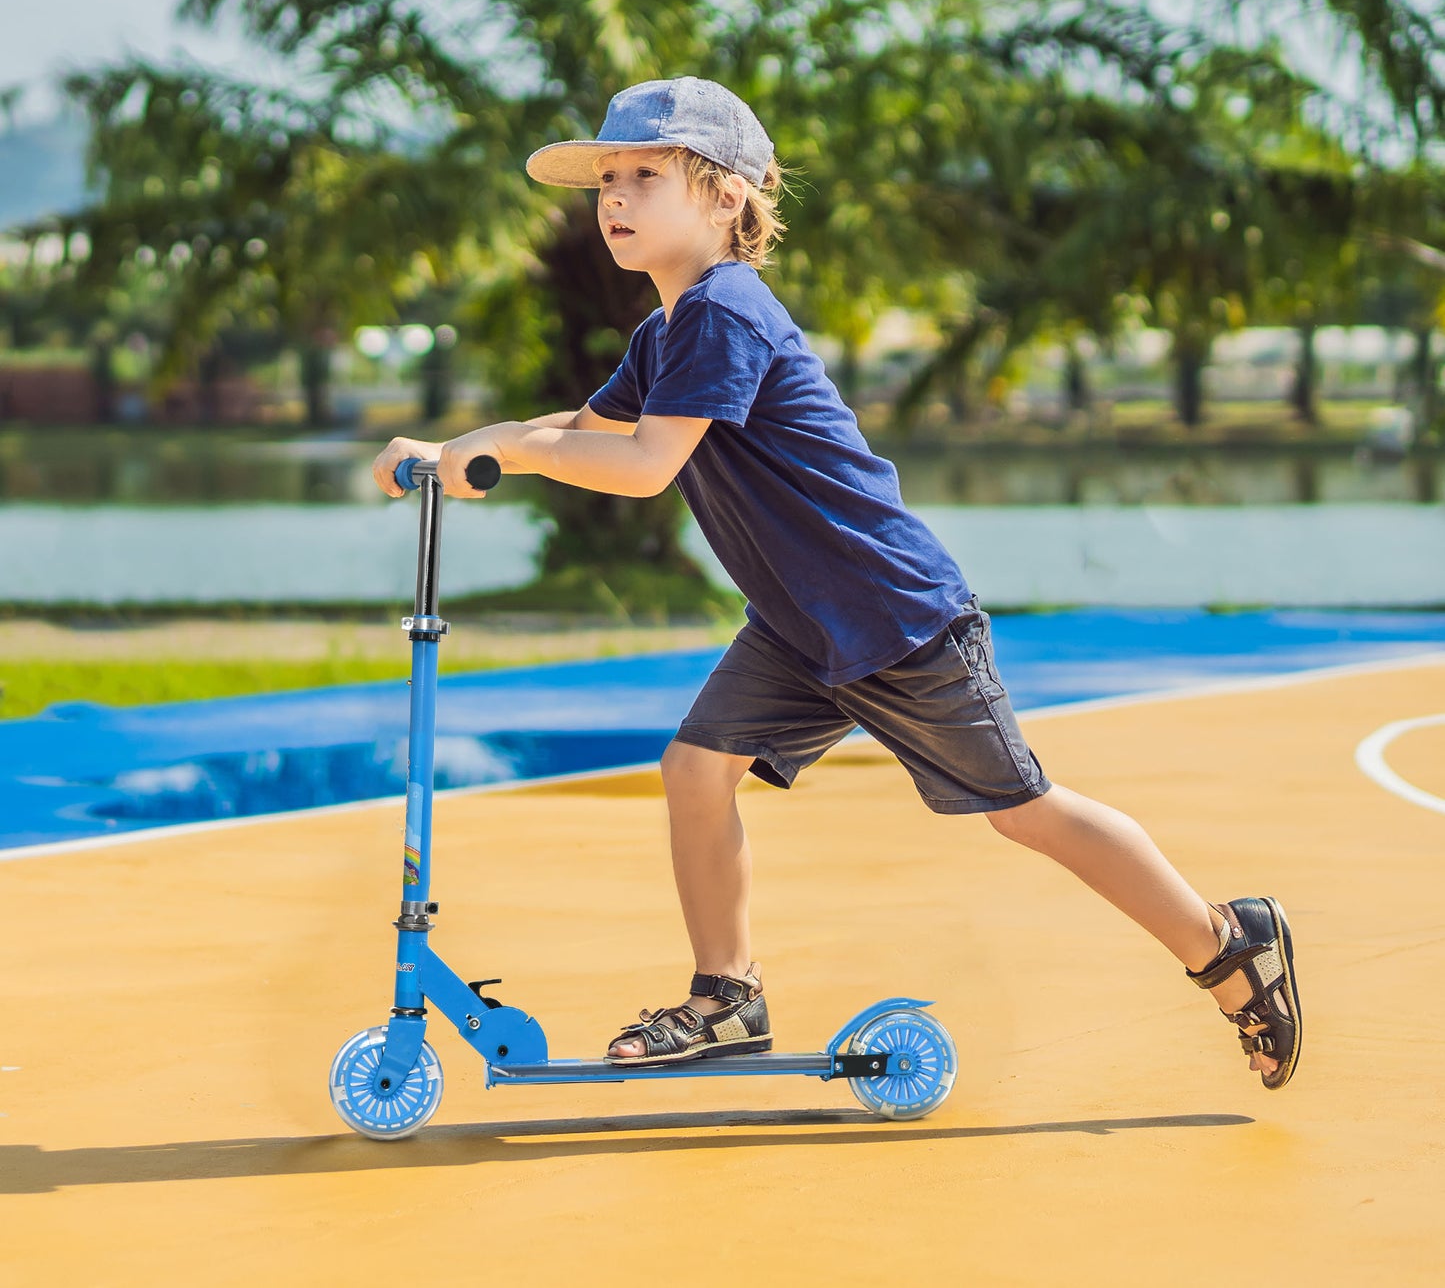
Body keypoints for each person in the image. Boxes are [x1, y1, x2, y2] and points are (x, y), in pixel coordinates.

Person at [371, 76, 1302, 1088]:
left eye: (645, 173)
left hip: (892, 615)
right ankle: (726, 994)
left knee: (1021, 807)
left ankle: (1225, 941)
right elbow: (584, 433)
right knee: (695, 768)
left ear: (724, 196)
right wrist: (454, 450)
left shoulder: (725, 307)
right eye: (606, 177)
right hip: (797, 626)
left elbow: (640, 467)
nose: (614, 196)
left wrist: (509, 445)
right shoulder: (663, 332)